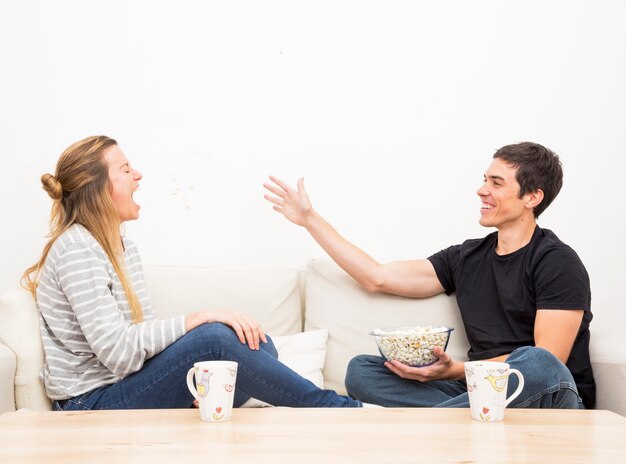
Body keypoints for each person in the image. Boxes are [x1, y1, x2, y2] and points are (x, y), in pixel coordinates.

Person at [22, 135, 363, 411]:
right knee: (214, 339)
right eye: (126, 170)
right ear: (98, 188)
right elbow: (121, 354)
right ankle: (333, 409)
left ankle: (198, 398)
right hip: (91, 404)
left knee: (259, 345)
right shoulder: (77, 248)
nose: (138, 176)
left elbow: (138, 343)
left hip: (122, 387)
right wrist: (200, 319)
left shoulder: (123, 249)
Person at [264, 141, 595, 409]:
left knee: (536, 361)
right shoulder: (466, 257)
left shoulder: (557, 262)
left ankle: (440, 422)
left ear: (532, 197)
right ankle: (458, 418)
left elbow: (551, 359)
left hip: (546, 397)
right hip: (475, 392)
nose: (481, 190)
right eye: (484, 179)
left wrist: (457, 369)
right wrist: (309, 219)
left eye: (496, 183)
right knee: (362, 371)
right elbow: (377, 277)